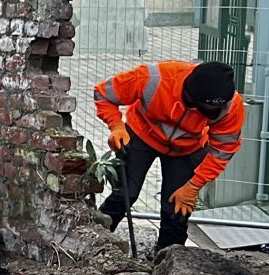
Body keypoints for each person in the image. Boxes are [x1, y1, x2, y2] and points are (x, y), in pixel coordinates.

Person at [92, 60, 244, 252]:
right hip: (142, 134)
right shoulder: (154, 79)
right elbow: (103, 93)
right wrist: (116, 126)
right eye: (206, 110)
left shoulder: (230, 107)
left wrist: (193, 186)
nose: (212, 114)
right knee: (125, 193)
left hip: (188, 148)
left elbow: (223, 150)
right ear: (190, 96)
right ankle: (96, 244)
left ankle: (170, 257)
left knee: (177, 208)